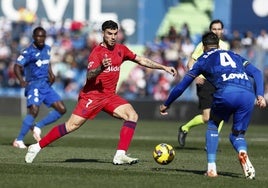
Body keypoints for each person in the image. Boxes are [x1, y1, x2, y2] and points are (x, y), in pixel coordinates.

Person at [24, 20, 177, 164]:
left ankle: (120, 155)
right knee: (71, 126)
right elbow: (89, 75)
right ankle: (37, 147)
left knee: (132, 115)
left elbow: (141, 60)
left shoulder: (121, 49)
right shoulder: (96, 53)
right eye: (109, 33)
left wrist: (163, 67)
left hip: (109, 96)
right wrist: (101, 68)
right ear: (103, 33)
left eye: (115, 33)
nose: (113, 37)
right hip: (92, 96)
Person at [160, 32, 266, 179]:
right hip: (248, 94)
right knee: (237, 135)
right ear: (218, 44)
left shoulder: (203, 60)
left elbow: (182, 86)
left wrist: (167, 104)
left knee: (212, 124)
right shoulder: (234, 55)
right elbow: (257, 72)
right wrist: (260, 94)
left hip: (227, 92)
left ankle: (211, 168)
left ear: (204, 46)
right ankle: (242, 152)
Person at [178, 19, 229, 147]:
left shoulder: (225, 46)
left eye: (219, 29)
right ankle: (184, 128)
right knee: (207, 117)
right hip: (204, 82)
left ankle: (211, 143)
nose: (216, 31)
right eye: (214, 29)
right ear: (210, 30)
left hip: (219, 83)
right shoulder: (203, 45)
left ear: (222, 31)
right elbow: (191, 61)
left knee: (221, 113)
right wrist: (195, 75)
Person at [13, 26, 66, 149]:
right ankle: (19, 140)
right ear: (33, 37)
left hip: (45, 84)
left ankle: (37, 126)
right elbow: (16, 66)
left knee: (61, 109)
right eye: (38, 36)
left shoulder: (47, 49)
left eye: (43, 36)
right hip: (33, 84)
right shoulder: (28, 52)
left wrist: (51, 74)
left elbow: (47, 63)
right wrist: (21, 80)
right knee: (34, 110)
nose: (40, 38)